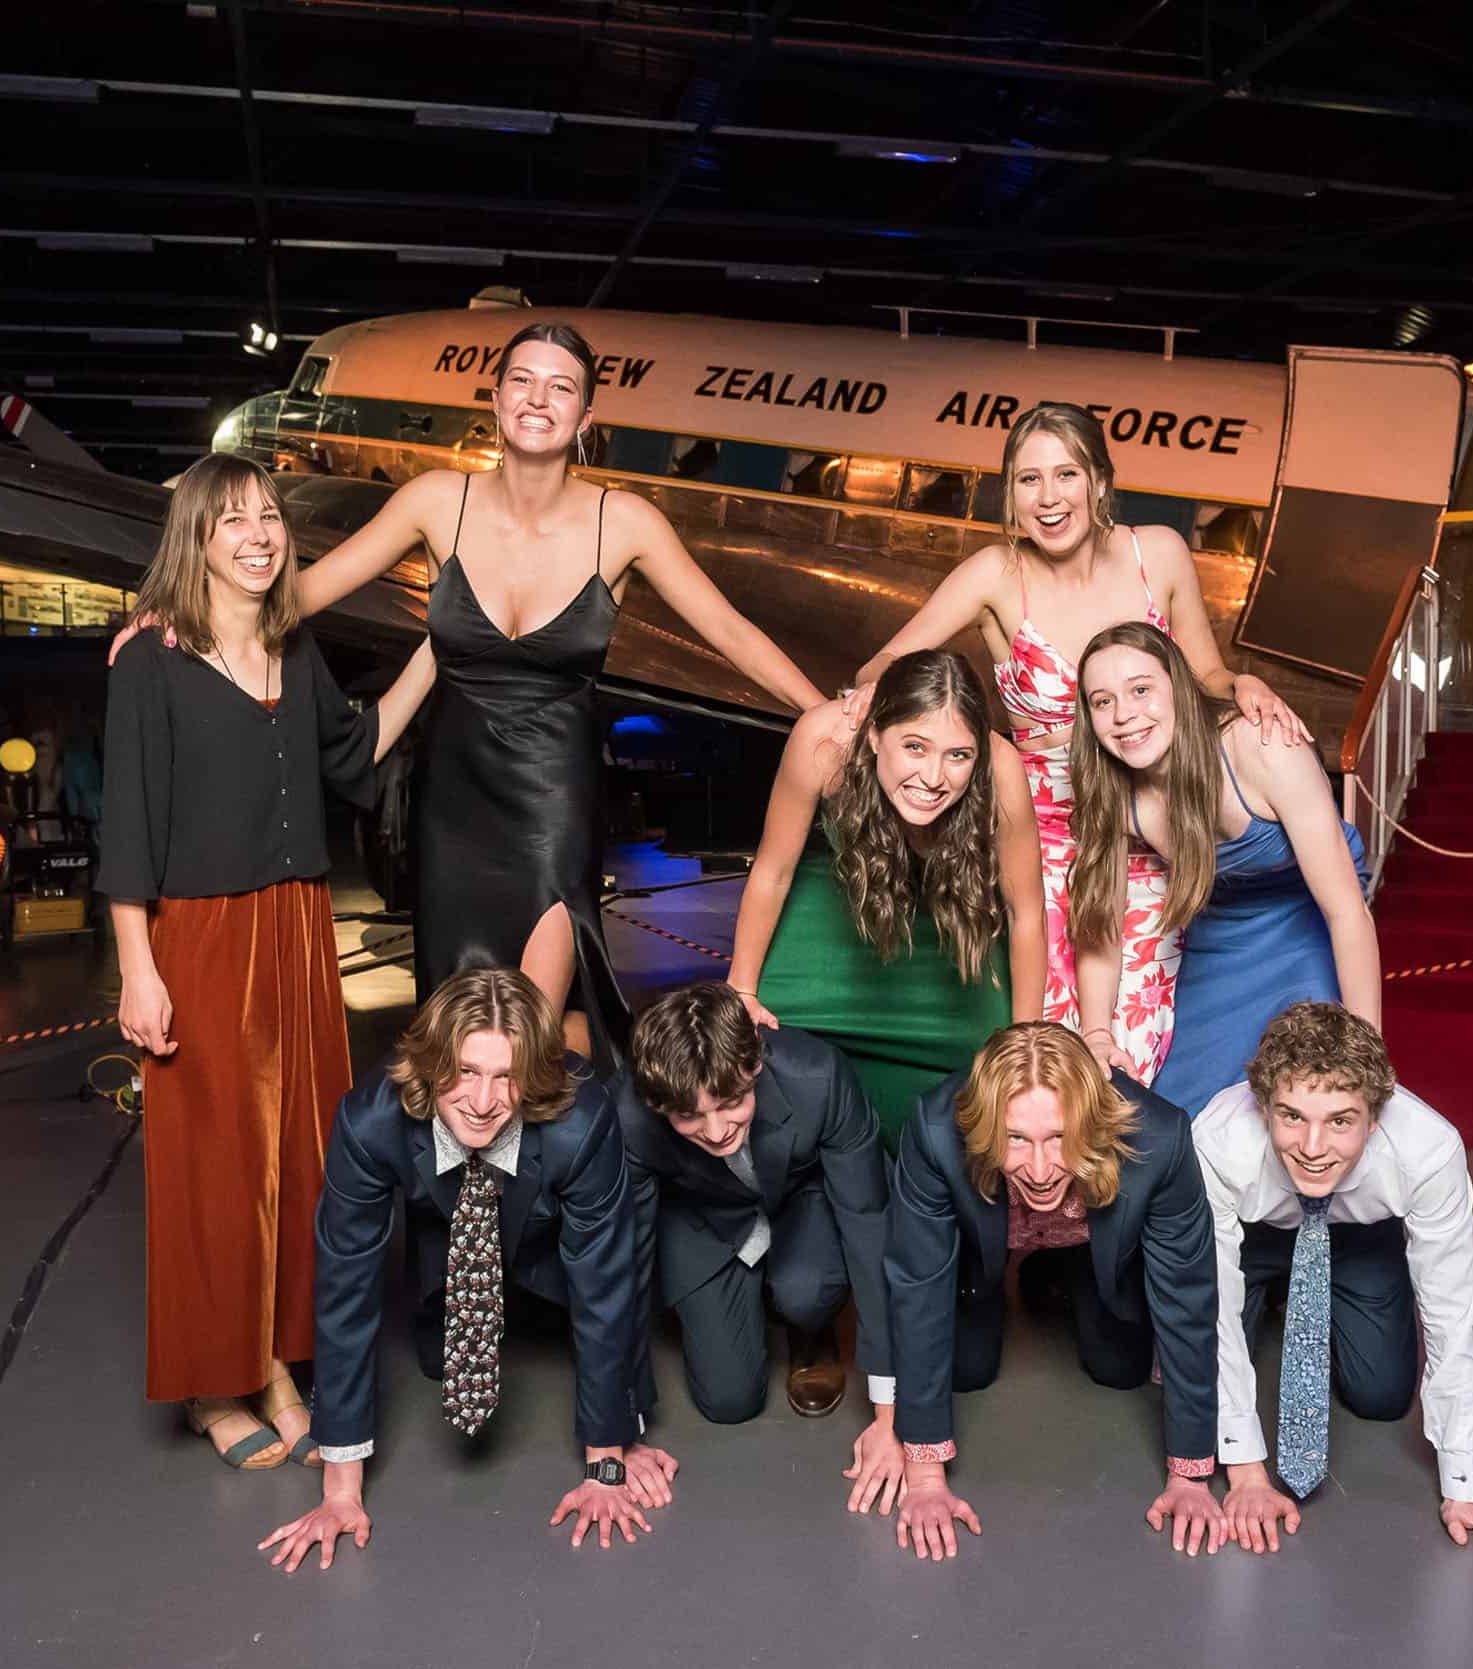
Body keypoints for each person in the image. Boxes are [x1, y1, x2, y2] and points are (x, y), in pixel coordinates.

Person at [118, 321, 823, 1067]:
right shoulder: (435, 501)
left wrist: (825, 711)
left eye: (561, 387)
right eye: (522, 380)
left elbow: (730, 632)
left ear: (587, 418)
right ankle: (478, 1178)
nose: (538, 399)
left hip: (555, 806)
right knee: (458, 1037)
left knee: (532, 1038)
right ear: (495, 398)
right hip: (453, 807)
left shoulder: (625, 522)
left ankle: (563, 1140)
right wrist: (175, 603)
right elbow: (297, 593)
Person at [100, 452, 436, 1473]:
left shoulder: (297, 647)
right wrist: (138, 969)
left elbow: (354, 751)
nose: (257, 536)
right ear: (194, 539)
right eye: (231, 520)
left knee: (303, 1155)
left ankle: (279, 1362)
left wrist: (439, 646)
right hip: (197, 935)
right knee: (213, 1166)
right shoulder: (149, 659)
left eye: (269, 519)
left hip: (296, 928)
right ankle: (214, 1384)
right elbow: (127, 827)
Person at [850, 403, 1306, 1049]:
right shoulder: (995, 575)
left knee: (1138, 1035)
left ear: (1099, 479)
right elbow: (885, 662)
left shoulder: (1160, 555)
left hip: (1149, 829)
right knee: (1053, 1044)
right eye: (1028, 479)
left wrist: (1244, 685)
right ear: (1010, 493)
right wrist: (872, 713)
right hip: (1043, 845)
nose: (1049, 496)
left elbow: (1206, 674)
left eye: (1066, 473)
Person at [265, 967, 678, 1572]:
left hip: (545, 1231)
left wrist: (608, 1461)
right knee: (433, 1358)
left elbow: (606, 1289)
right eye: (466, 1072)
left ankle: (573, 1037)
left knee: (586, 1310)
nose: (483, 1103)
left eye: (506, 1077)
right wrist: (339, 1492)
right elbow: (344, 1292)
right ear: (433, 1063)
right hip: (446, 1227)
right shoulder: (369, 1120)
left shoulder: (583, 1124)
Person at [1191, 1002, 1473, 1562]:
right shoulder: (1218, 1138)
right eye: (1291, 1117)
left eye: (1340, 1121)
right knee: (1188, 1351)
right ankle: (1278, 1296)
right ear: (1263, 1109)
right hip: (1254, 1232)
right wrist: (1245, 1471)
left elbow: (1454, 1311)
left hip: (1358, 1235)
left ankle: (1315, 1295)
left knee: (1382, 1396)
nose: (1312, 1148)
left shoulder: (1428, 1150)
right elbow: (1207, 1301)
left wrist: (1464, 1487)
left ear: (1375, 1117)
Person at [883, 1022, 1224, 1562]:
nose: (1040, 1170)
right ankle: (1017, 1281)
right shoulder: (934, 1128)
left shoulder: (1160, 1138)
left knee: (1120, 1370)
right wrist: (925, 1477)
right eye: (1015, 1139)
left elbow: (1189, 1301)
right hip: (985, 1254)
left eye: (1060, 1137)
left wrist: (1191, 1475)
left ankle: (1061, 1279)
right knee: (967, 1372)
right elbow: (918, 1288)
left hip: (1095, 1246)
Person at [725, 650, 1045, 1142]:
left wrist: (1027, 1040)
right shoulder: (823, 740)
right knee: (768, 1048)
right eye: (914, 747)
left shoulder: (1001, 768)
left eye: (958, 755)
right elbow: (774, 871)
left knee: (987, 1075)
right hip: (837, 917)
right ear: (874, 733)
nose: (933, 778)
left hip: (947, 939)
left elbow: (1025, 913)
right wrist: (741, 988)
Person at [611, 983, 905, 1507]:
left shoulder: (818, 1076)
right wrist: (614, 1439)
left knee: (806, 1290)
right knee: (728, 1401)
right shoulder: (631, 1116)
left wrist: (892, 1416)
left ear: (755, 1069)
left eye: (731, 1103)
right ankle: (733, 1300)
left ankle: (809, 1329)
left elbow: (867, 1224)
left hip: (801, 1196)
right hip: (705, 1216)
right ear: (659, 1105)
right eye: (690, 1117)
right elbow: (622, 1257)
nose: (717, 1129)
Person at [1068, 622, 1379, 1112]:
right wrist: (1097, 1033)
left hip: (1308, 918)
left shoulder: (1263, 746)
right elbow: (1098, 923)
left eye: (1141, 689)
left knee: (1311, 1089)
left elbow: (1346, 912)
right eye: (1102, 701)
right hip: (1222, 927)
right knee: (1183, 1106)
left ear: (1180, 688)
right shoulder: (1114, 792)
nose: (1124, 715)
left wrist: (1368, 1060)